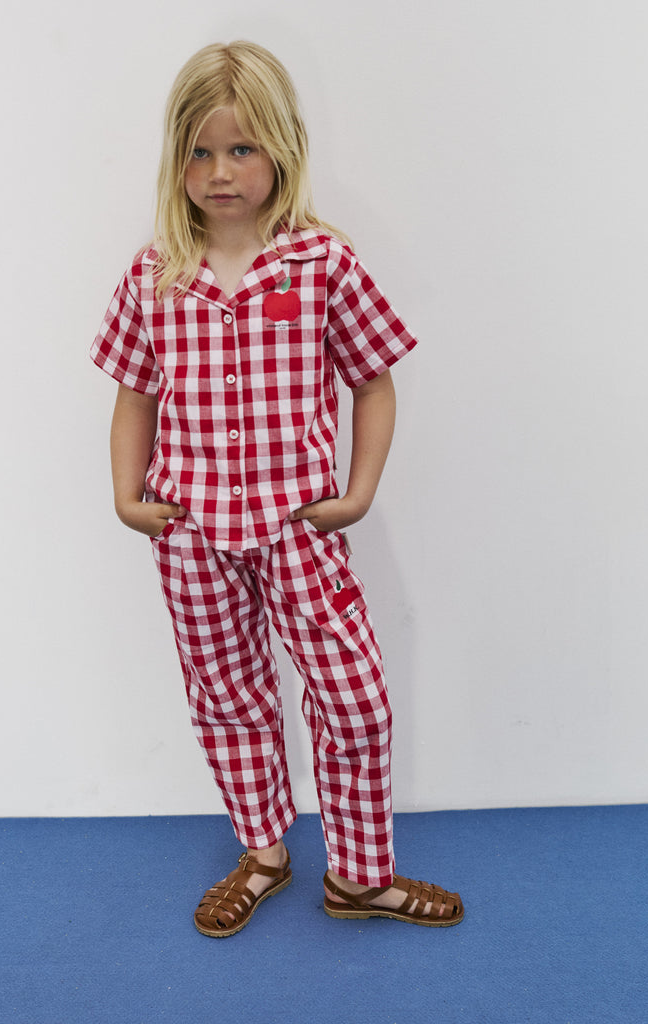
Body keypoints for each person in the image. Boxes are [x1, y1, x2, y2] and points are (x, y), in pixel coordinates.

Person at [90, 40, 464, 937]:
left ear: (282, 150)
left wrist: (357, 492)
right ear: (176, 157)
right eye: (200, 151)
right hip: (191, 532)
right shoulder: (154, 275)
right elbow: (133, 395)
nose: (219, 171)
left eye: (241, 148)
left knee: (353, 697)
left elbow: (373, 381)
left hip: (299, 526)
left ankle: (361, 876)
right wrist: (127, 496)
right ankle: (262, 853)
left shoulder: (321, 264)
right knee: (227, 694)